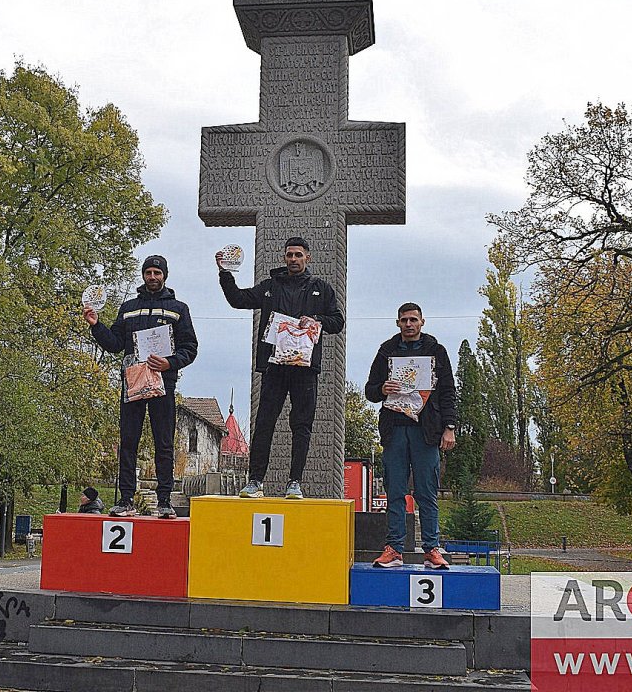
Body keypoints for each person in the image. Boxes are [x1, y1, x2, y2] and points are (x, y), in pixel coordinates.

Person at [217, 236, 344, 500]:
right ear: (284, 257)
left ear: (308, 257)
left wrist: (316, 319)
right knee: (264, 423)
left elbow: (337, 322)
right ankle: (255, 481)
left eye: (298, 255)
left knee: (302, 425)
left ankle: (294, 482)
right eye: (289, 255)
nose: (294, 259)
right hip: (274, 367)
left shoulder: (321, 288)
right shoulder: (270, 287)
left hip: (304, 369)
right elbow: (238, 299)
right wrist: (225, 273)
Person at [85, 255, 199, 518]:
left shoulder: (178, 308)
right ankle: (126, 500)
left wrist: (170, 363)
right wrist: (96, 325)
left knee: (164, 443)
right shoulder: (128, 308)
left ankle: (164, 502)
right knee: (128, 441)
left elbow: (190, 348)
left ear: (165, 276)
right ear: (143, 275)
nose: (152, 277)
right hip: (133, 383)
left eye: (157, 273)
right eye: (148, 272)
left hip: (163, 383)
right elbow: (114, 344)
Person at [365, 303, 457, 570]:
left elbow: (449, 390)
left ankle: (432, 550)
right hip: (394, 429)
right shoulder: (386, 351)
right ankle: (394, 549)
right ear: (397, 323)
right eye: (404, 320)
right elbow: (370, 391)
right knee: (395, 492)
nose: (408, 324)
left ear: (422, 322)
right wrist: (382, 388)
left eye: (413, 320)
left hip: (426, 432)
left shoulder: (436, 351)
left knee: (427, 493)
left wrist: (449, 426)